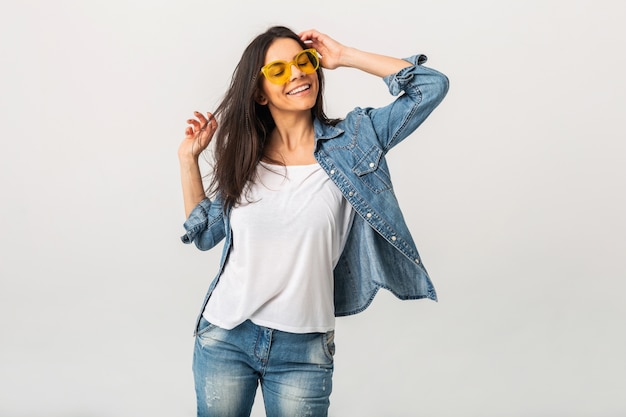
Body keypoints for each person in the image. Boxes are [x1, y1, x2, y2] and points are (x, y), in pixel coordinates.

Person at [178, 25, 449, 417]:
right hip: (225, 337)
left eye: (304, 62)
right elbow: (204, 235)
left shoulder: (354, 140)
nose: (297, 74)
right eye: (278, 70)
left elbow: (430, 86)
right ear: (258, 92)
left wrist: (344, 55)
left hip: (303, 350)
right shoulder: (245, 157)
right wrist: (188, 161)